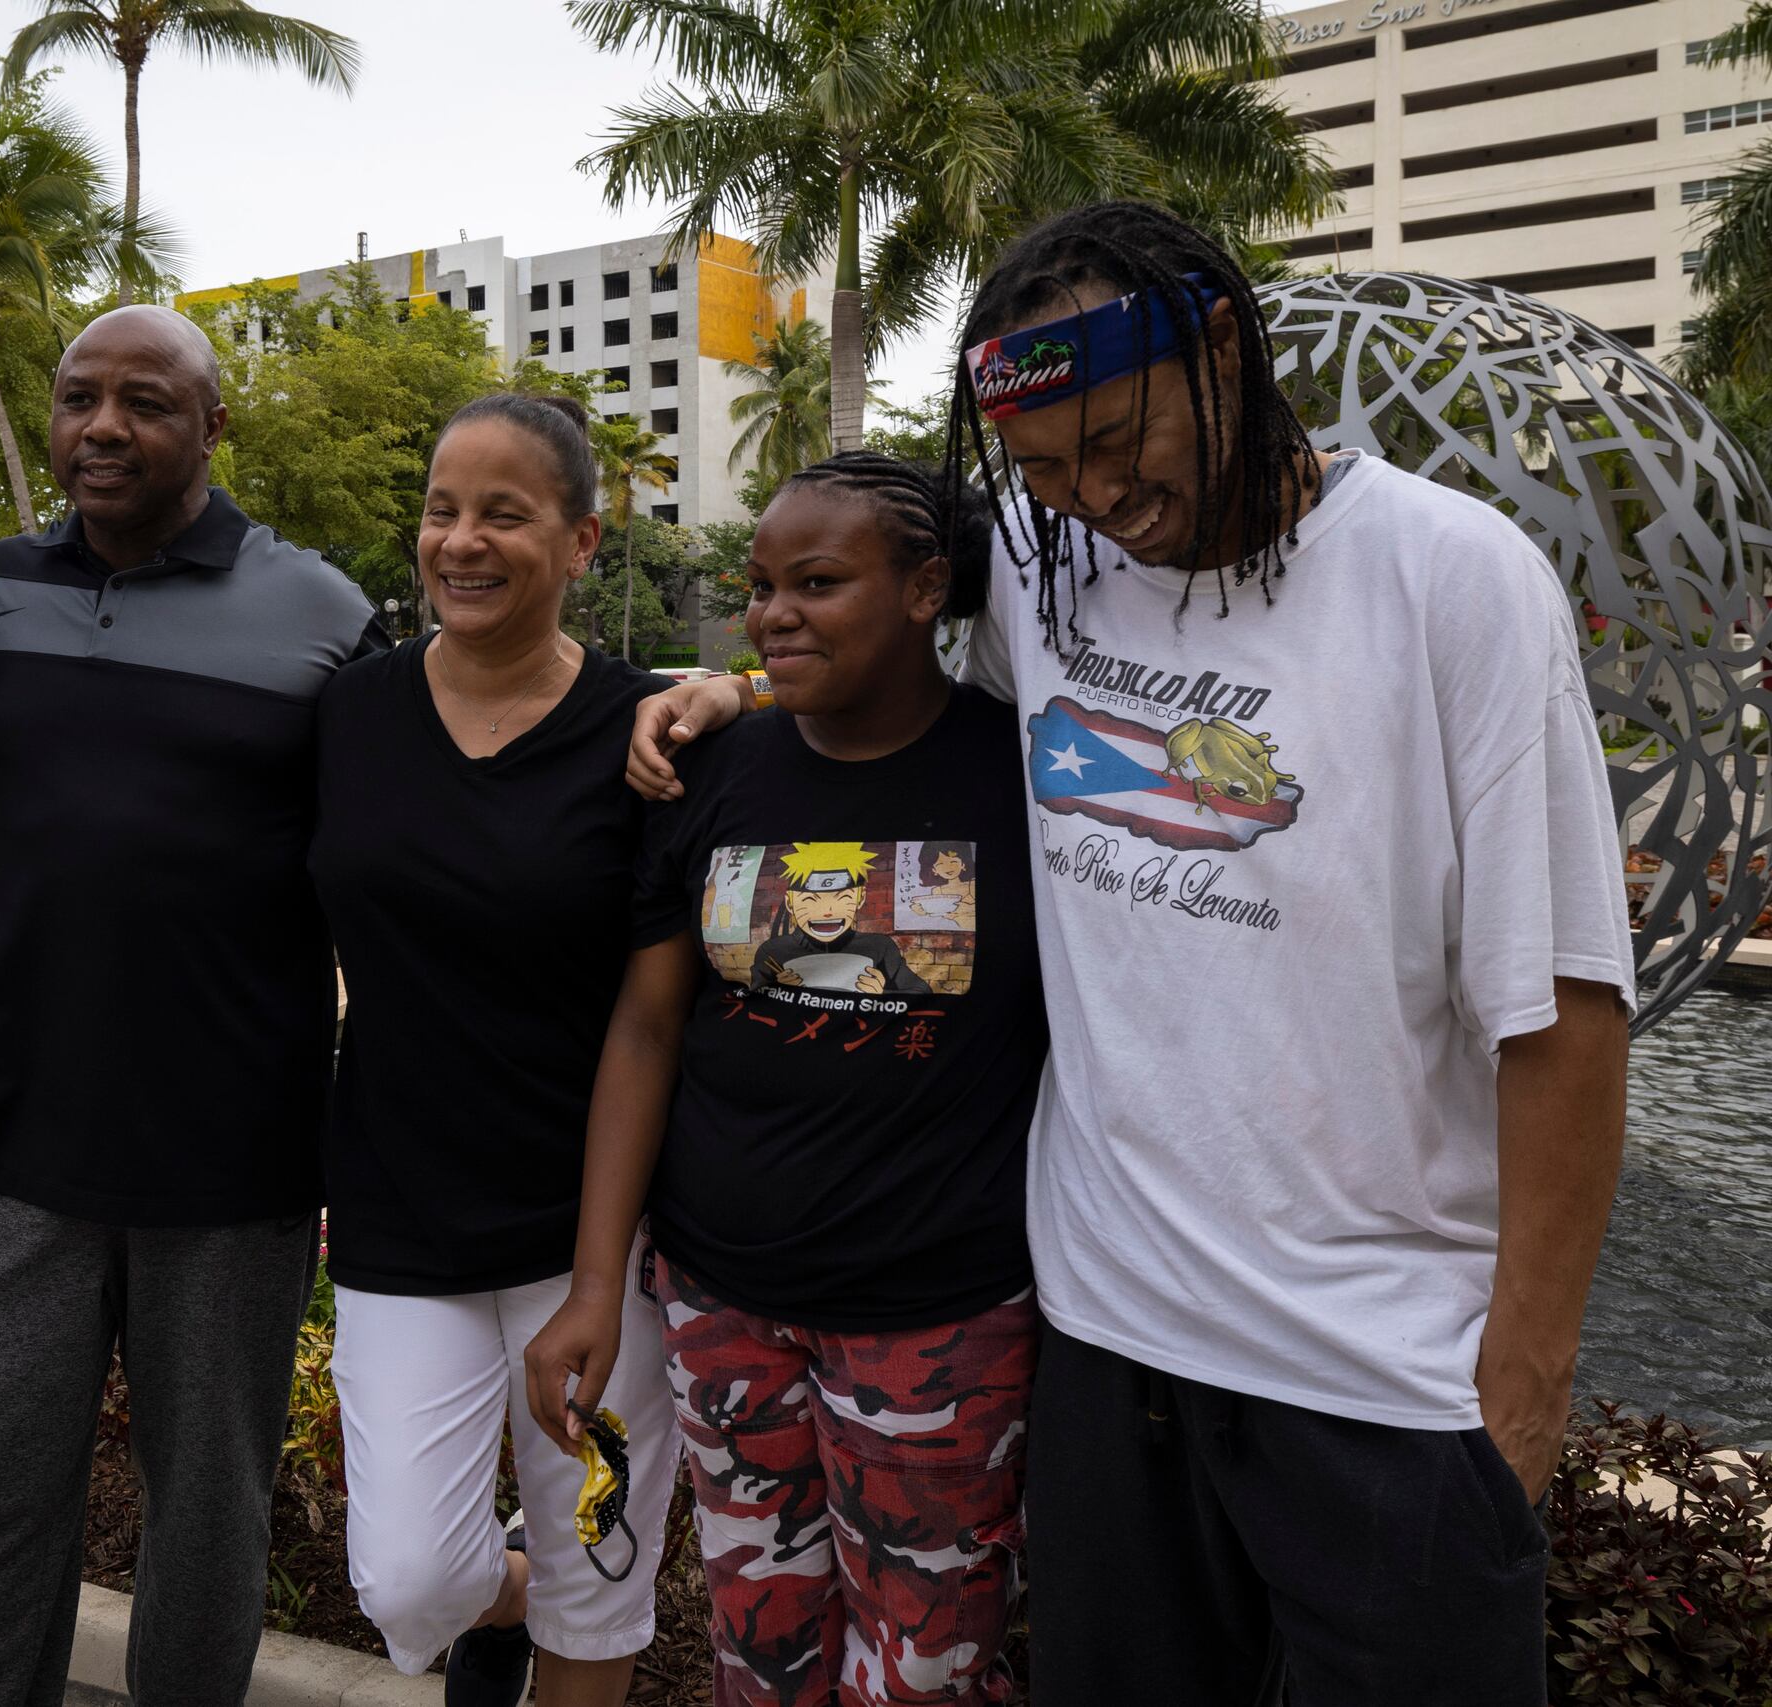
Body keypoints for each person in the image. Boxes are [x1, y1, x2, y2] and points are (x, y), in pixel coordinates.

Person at [629, 201, 1636, 1706]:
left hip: (1385, 1377)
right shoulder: (1044, 564)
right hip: (1109, 1351)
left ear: (1224, 349)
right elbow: (852, 628)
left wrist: (1523, 1391)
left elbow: (1559, 1008)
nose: (1095, 498)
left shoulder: (1451, 579)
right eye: (1039, 471)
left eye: (1121, 441)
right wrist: (732, 692)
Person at [0, 305, 385, 1707]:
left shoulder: (324, 611)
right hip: (15, 1133)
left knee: (209, 1515)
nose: (103, 425)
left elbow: (422, 805)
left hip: (232, 1148)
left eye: (147, 401)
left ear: (213, 425)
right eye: (78, 396)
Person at [529, 453, 1049, 1707]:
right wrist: (602, 1280)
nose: (774, 613)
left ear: (928, 587)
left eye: (817, 583)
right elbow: (648, 1029)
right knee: (755, 1643)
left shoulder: (1023, 777)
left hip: (940, 1318)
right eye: (761, 588)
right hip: (723, 1304)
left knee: (922, 1666)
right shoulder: (714, 772)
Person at [309, 393, 679, 1707]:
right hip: (403, 1218)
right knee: (407, 1578)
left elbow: (650, 1017)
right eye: (441, 509)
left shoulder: (652, 738)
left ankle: (552, 1600)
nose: (460, 540)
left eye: (504, 514)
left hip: (601, 1239)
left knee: (601, 1568)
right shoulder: (347, 717)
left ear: (582, 542)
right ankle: (498, 1598)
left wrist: (594, 1275)